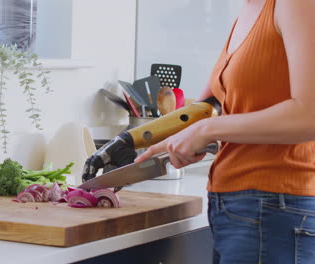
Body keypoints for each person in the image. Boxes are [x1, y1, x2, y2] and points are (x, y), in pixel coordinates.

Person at [134, 0, 315, 263]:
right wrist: (154, 140)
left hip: (275, 207)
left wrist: (206, 129)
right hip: (236, 209)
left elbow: (308, 115)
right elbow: (217, 106)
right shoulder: (251, 10)